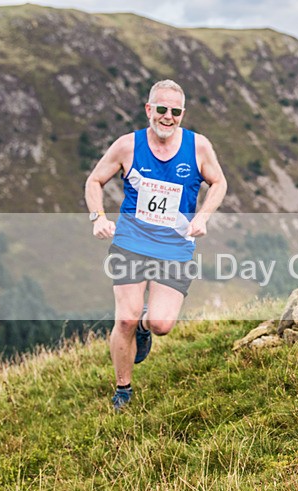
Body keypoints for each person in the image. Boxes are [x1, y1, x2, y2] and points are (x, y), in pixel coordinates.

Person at [84, 79, 227, 411]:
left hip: (175, 247)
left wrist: (203, 216)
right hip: (131, 241)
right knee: (125, 319)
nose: (167, 117)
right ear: (149, 109)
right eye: (161, 109)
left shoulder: (198, 146)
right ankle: (123, 389)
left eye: (175, 112)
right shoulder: (128, 146)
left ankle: (147, 325)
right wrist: (98, 217)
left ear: (182, 114)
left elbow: (219, 182)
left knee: (162, 325)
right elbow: (94, 180)